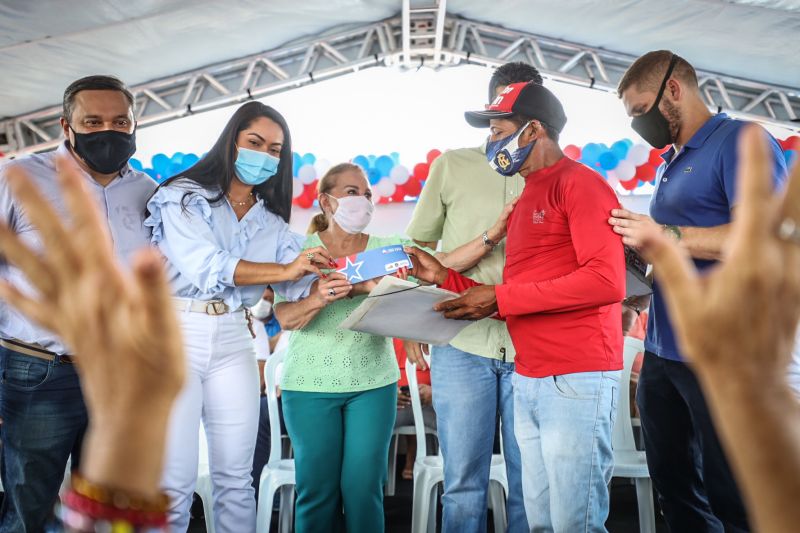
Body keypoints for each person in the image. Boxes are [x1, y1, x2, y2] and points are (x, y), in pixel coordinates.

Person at [407, 80, 626, 532]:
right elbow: (521, 291)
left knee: (575, 523)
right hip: (531, 374)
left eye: (498, 129)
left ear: (533, 131)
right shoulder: (527, 195)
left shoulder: (581, 185)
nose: (491, 141)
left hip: (574, 376)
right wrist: (442, 278)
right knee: (542, 522)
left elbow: (606, 281)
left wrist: (500, 297)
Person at [273, 162, 514, 533]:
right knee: (316, 491)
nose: (363, 201)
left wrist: (492, 236)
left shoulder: (389, 248)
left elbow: (442, 264)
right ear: (325, 201)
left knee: (364, 489)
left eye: (367, 194)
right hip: (307, 385)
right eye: (352, 192)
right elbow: (286, 317)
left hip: (374, 383)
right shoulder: (300, 252)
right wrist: (330, 293)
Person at [609, 50, 787, 533]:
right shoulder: (670, 161)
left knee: (735, 495)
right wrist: (635, 293)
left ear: (673, 89)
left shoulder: (742, 142)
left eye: (639, 110)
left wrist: (663, 236)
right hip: (664, 350)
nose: (637, 124)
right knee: (674, 488)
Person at [144, 101, 330, 533]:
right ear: (231, 142)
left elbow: (299, 284)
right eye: (255, 142)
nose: (264, 155)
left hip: (234, 336)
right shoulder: (184, 198)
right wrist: (288, 270)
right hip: (174, 334)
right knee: (174, 482)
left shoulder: (272, 221)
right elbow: (207, 265)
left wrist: (339, 283)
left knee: (237, 478)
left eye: (275, 149)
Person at [0, 75, 156, 532]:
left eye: (119, 120)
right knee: (30, 508)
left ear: (133, 125)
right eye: (93, 121)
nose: (108, 130)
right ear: (66, 126)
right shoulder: (19, 177)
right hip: (38, 370)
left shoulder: (146, 191)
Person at [404, 61, 542, 533]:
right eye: (503, 106)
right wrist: (410, 326)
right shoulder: (451, 165)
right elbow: (416, 252)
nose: (511, 116)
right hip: (461, 345)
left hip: (533, 347)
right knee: (463, 483)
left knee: (532, 484)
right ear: (489, 110)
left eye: (524, 108)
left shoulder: (552, 175)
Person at [393, 339, 436, 480]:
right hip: (397, 402)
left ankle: (444, 482)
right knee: (370, 426)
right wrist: (389, 392)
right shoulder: (387, 327)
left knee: (455, 425)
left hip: (431, 403)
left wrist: (435, 392)